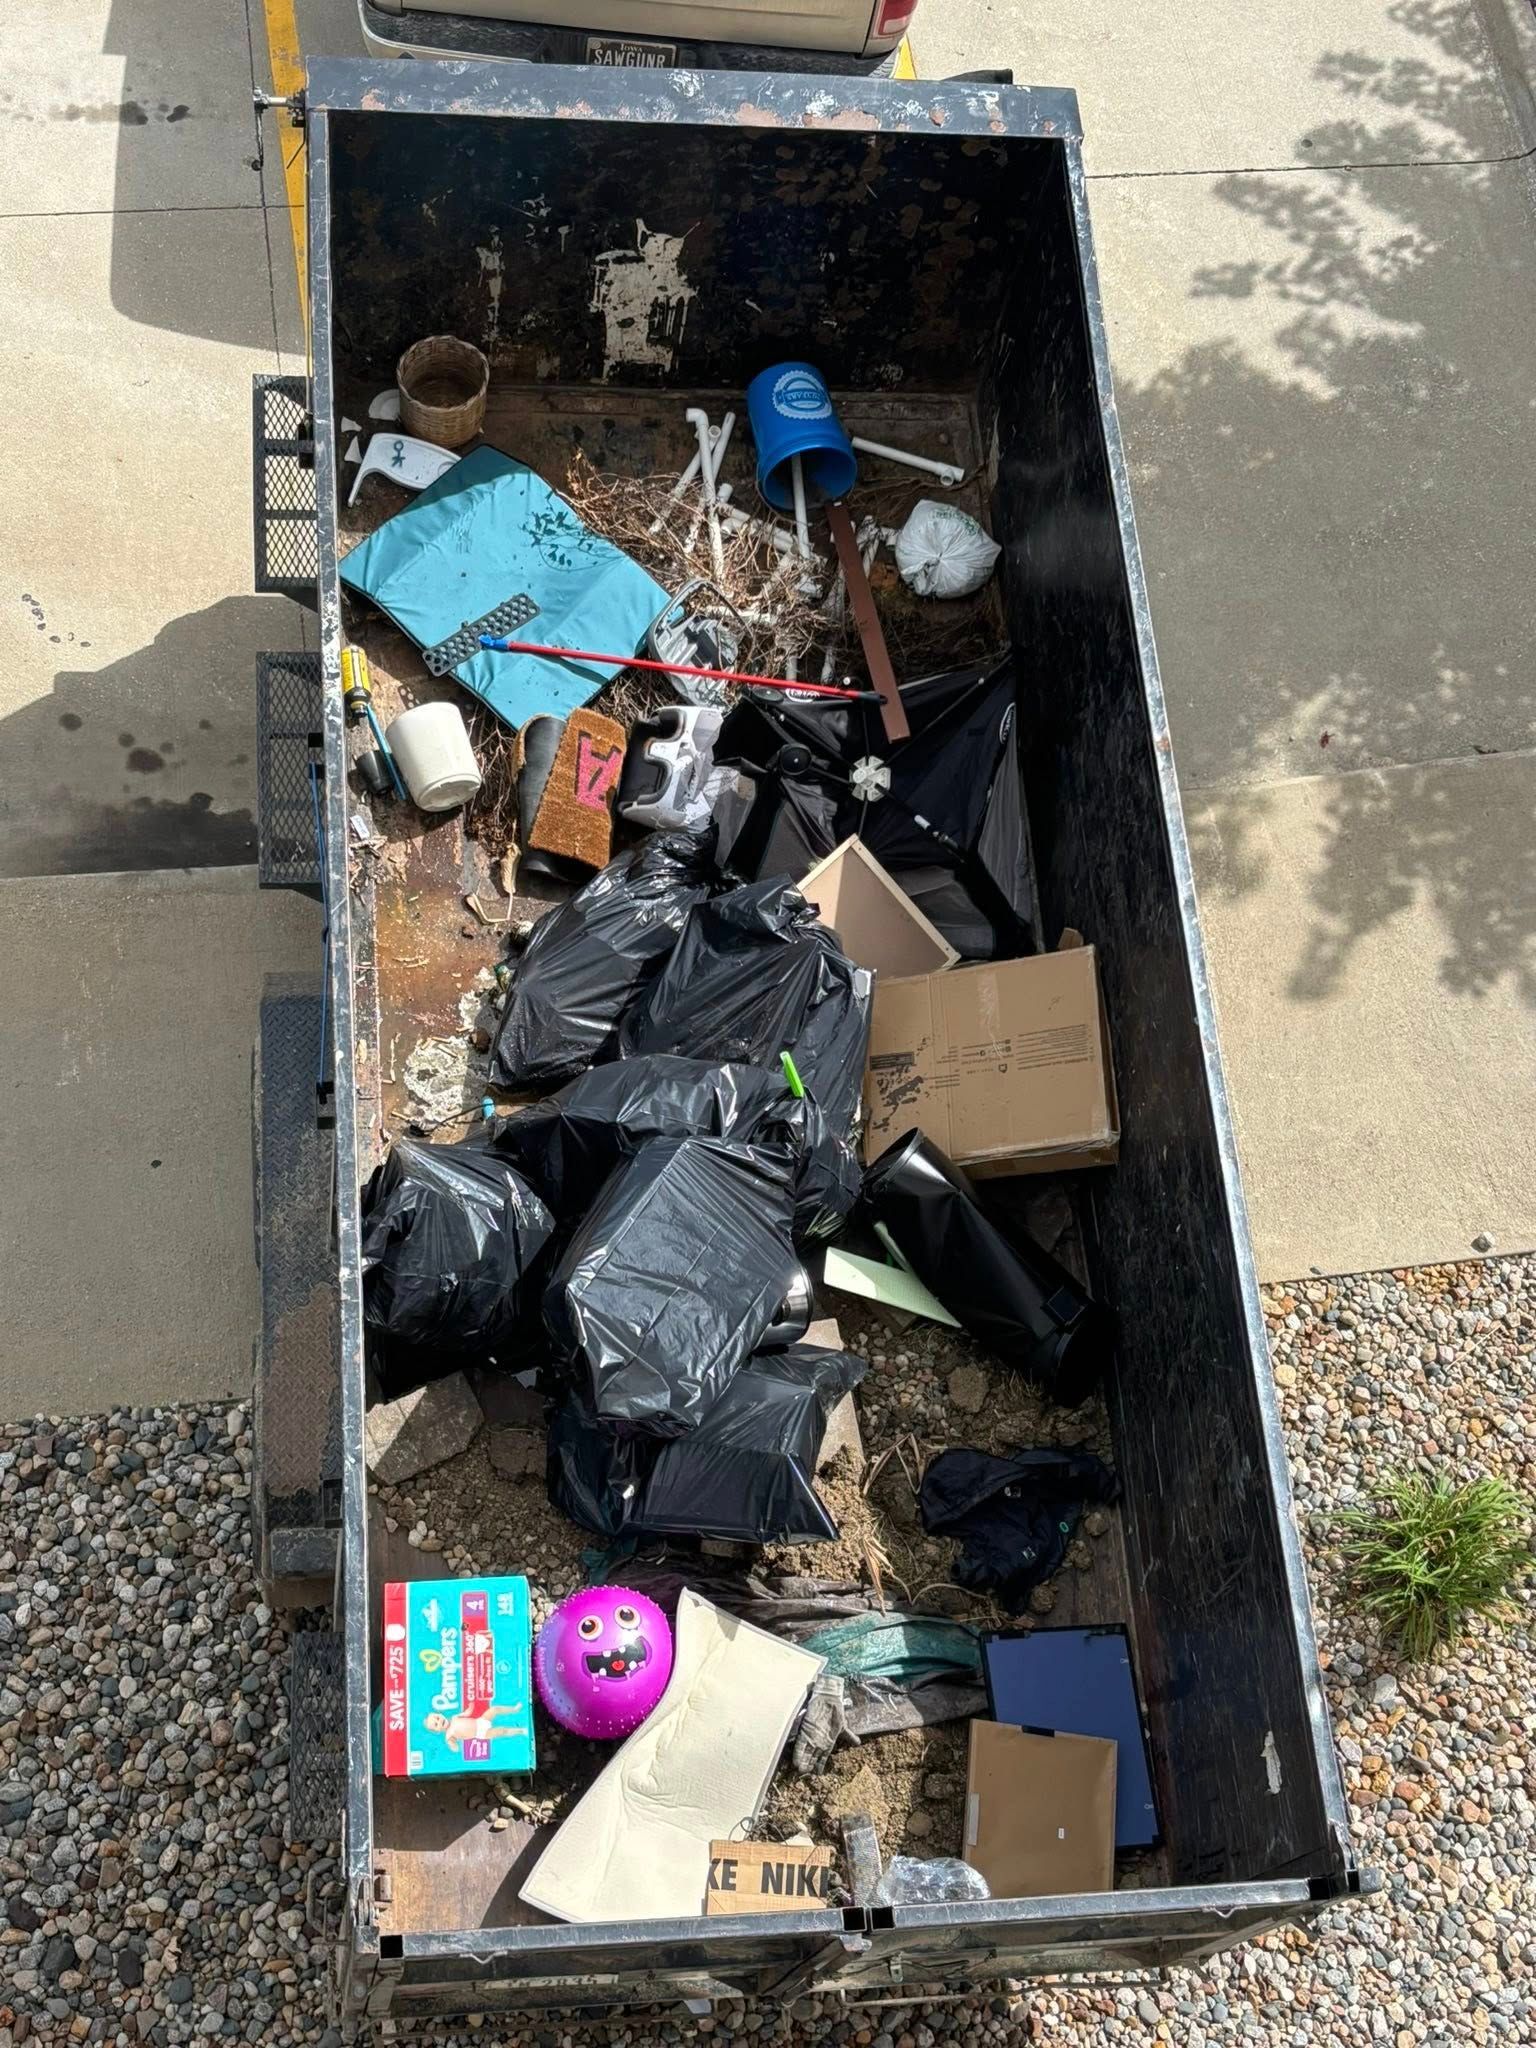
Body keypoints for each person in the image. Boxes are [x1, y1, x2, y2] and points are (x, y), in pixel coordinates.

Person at [422, 1701, 528, 1752]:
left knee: (495, 1709)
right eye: (436, 1724)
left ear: (440, 1714)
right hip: (481, 1733)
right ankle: (521, 1731)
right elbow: (455, 1748)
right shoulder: (449, 1735)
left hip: (481, 1721)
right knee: (502, 1731)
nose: (439, 1721)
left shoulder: (454, 1717)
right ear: (437, 1731)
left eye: (437, 1717)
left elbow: (466, 1714)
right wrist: (453, 1745)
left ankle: (514, 1709)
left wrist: (470, 1708)